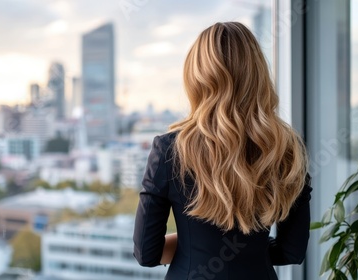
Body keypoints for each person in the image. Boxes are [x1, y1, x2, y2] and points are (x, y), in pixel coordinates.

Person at [133, 22, 312, 280]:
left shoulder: (169, 149)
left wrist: (194, 246)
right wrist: (249, 252)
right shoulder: (287, 149)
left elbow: (146, 254)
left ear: (197, 77)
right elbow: (291, 252)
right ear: (258, 74)